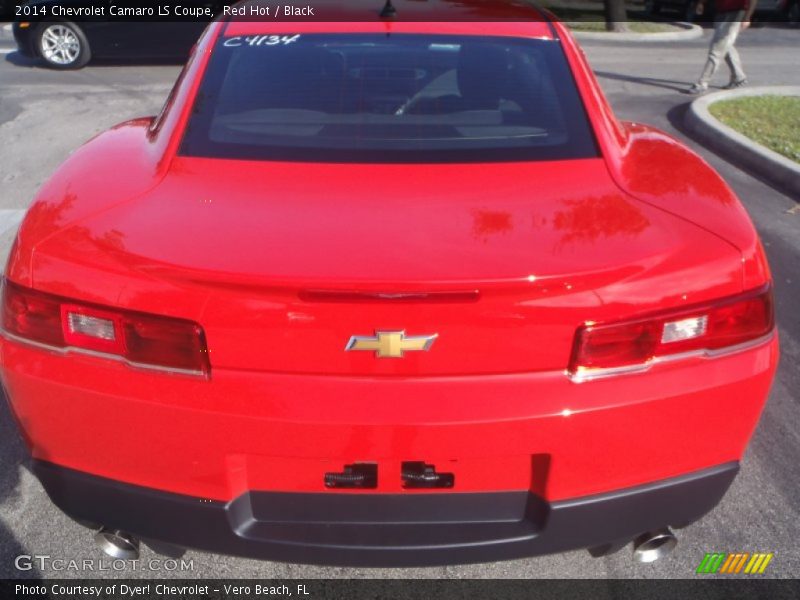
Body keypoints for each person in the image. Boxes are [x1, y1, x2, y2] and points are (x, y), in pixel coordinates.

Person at [685, 0, 756, 95]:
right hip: (721, 12)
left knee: (717, 48)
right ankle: (739, 77)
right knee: (726, 45)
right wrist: (701, 3)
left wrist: (747, 17)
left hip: (737, 13)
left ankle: (702, 83)